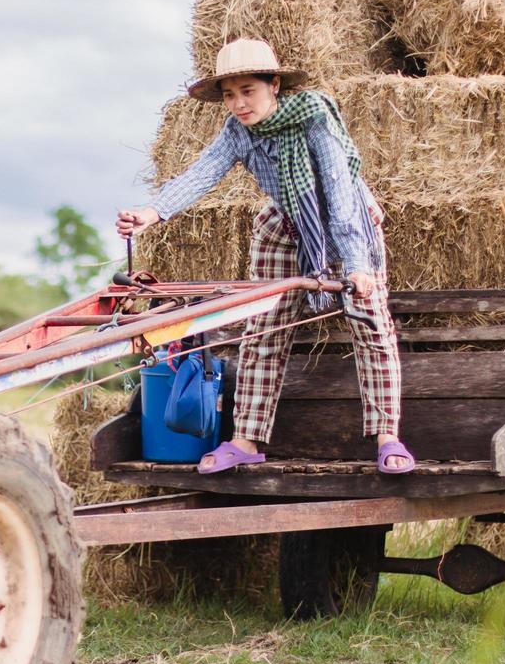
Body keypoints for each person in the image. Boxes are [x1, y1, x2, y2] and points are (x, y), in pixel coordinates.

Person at [117, 38, 413, 474]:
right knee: (263, 328)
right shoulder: (238, 131)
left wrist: (356, 265)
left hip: (345, 219)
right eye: (230, 94)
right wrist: (152, 212)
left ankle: (388, 437)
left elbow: (339, 189)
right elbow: (203, 172)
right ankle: (246, 439)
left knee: (370, 321)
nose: (238, 103)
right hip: (285, 225)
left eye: (248, 90)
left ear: (274, 84)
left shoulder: (314, 115)